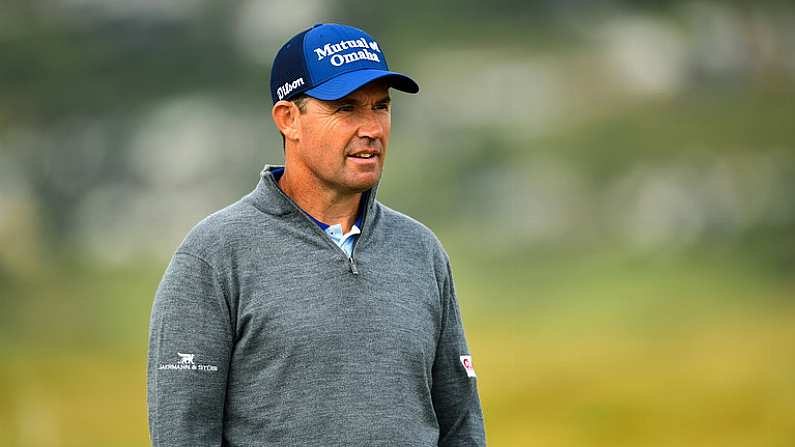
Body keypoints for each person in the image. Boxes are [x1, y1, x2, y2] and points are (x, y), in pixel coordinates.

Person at [147, 23, 486, 446]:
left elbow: (461, 425)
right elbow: (184, 433)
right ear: (288, 119)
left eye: (380, 106)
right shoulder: (214, 256)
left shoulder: (421, 251)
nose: (372, 128)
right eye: (345, 108)